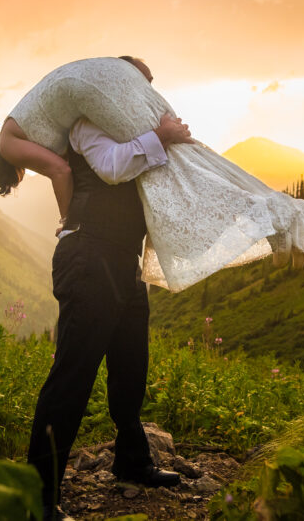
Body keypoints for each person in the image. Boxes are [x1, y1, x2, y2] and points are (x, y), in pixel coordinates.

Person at [0, 56, 304, 293]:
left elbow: (60, 170)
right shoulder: (35, 120)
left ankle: (280, 218)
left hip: (92, 86)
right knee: (185, 155)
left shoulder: (7, 141)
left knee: (177, 171)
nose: (20, 171)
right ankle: (275, 219)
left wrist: (68, 223)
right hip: (108, 77)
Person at [24, 110, 191, 521]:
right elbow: (113, 167)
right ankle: (36, 498)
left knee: (131, 367)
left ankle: (132, 462)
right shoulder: (88, 121)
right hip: (87, 256)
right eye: (140, 79)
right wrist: (161, 134)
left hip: (122, 259)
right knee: (72, 377)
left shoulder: (128, 129)